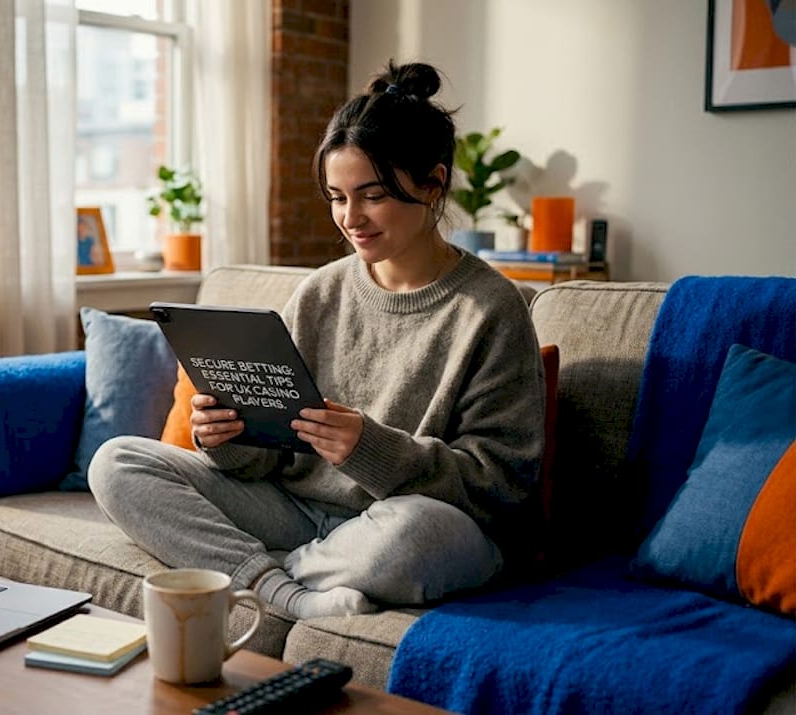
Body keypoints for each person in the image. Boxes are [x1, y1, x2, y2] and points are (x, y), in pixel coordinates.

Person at [88, 61, 545, 619]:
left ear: (434, 183)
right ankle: (288, 594)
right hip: (295, 510)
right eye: (337, 197)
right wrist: (226, 436)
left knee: (417, 535)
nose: (351, 218)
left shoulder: (491, 308)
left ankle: (268, 571)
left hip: (409, 521)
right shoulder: (320, 292)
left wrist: (370, 449)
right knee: (117, 462)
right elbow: (267, 458)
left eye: (372, 195)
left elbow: (500, 487)